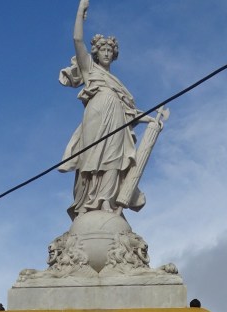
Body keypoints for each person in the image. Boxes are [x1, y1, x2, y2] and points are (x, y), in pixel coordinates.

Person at [59, 0, 146, 218]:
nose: (106, 53)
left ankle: (105, 200)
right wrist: (80, 12)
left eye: (109, 50)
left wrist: (151, 120)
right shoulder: (89, 69)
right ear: (96, 53)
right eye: (103, 50)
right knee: (90, 157)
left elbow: (131, 111)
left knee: (114, 158)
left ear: (113, 54)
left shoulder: (117, 83)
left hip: (116, 119)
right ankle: (86, 201)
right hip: (95, 117)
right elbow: (77, 39)